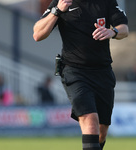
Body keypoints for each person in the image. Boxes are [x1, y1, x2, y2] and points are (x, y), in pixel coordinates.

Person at [33, 0, 128, 150]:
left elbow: (124, 29)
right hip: (74, 71)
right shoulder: (62, 2)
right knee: (90, 121)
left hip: (102, 72)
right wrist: (57, 10)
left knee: (101, 131)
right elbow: (37, 34)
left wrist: (112, 32)